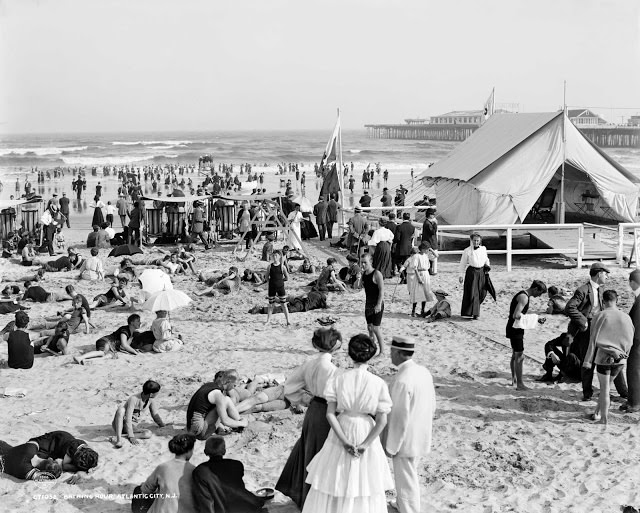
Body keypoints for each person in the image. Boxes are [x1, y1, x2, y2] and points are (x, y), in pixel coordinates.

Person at [302, 334, 393, 513]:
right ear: (372, 355)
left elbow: (330, 414)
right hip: (366, 429)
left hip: (343, 426)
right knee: (365, 482)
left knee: (335, 477)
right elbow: (382, 420)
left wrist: (344, 441)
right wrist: (365, 445)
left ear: (349, 355)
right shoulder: (378, 383)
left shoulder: (339, 379)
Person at [276, 327, 341, 508]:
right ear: (335, 345)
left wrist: (304, 399)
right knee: (324, 452)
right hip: (328, 412)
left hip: (313, 409)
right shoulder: (333, 369)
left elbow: (288, 387)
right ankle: (320, 500)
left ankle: (304, 495)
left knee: (308, 449)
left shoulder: (309, 364)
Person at [383, 336, 437, 513]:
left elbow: (398, 416)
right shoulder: (423, 372)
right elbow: (433, 404)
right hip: (421, 431)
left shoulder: (402, 379)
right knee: (410, 473)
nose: (390, 354)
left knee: (406, 479)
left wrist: (391, 445)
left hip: (406, 438)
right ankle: (401, 504)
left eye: (392, 351)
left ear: (399, 353)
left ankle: (409, 510)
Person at [565, 262, 627, 402]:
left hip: (601, 327)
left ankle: (623, 392)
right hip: (587, 330)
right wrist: (583, 321)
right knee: (588, 361)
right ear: (599, 274)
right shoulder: (582, 290)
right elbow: (569, 307)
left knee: (612, 357)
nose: (607, 277)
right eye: (605, 274)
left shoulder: (601, 289)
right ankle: (587, 393)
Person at [583, 290, 634, 425]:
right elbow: (631, 339)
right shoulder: (626, 317)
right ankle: (597, 412)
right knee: (607, 386)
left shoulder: (599, 316)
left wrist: (587, 361)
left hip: (603, 358)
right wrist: (623, 353)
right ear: (616, 300)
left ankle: (604, 420)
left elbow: (593, 340)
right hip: (620, 359)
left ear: (603, 301)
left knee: (604, 390)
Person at [192, 435, 266, 513]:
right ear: (224, 451)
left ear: (205, 451)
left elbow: (206, 503)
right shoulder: (237, 465)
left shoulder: (200, 471)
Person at [137, 434, 197, 513]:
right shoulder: (194, 470)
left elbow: (146, 489)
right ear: (189, 451)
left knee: (138, 490)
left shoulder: (163, 467)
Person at [506, 280, 548, 391]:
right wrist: (535, 317)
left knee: (515, 354)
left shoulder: (522, 295)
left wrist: (536, 319)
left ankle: (514, 379)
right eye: (540, 293)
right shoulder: (524, 298)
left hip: (513, 327)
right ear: (535, 289)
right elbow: (516, 315)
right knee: (519, 355)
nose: (539, 296)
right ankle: (520, 384)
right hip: (515, 329)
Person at [186, 370, 248, 440]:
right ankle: (241, 424)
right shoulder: (217, 394)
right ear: (228, 381)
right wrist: (243, 423)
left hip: (191, 427)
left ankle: (239, 423)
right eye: (234, 385)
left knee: (226, 399)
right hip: (198, 433)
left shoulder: (209, 385)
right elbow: (225, 420)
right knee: (219, 408)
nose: (234, 387)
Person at [27, 430, 99, 483]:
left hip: (66, 438)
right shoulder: (72, 450)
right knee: (35, 450)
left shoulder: (88, 451)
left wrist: (83, 470)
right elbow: (64, 465)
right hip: (56, 441)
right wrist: (78, 469)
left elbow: (94, 463)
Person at [111, 380, 166, 448]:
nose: (158, 393)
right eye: (157, 392)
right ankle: (118, 439)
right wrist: (131, 436)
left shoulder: (151, 400)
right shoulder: (133, 399)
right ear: (151, 394)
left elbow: (154, 414)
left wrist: (162, 425)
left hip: (132, 427)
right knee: (121, 410)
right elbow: (128, 418)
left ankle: (123, 436)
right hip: (120, 424)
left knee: (148, 434)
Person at [73, 313, 142, 364]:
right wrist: (134, 352)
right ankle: (80, 358)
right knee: (101, 353)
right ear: (132, 322)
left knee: (110, 356)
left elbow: (124, 346)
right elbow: (124, 345)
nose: (140, 322)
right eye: (138, 321)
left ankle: (88, 361)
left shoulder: (132, 332)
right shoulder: (125, 330)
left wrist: (133, 347)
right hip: (105, 341)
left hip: (111, 347)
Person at [459, 233, 490, 320]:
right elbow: (463, 263)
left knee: (482, 292)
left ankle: (475, 309)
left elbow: (486, 259)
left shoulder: (483, 249)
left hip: (481, 272)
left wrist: (487, 266)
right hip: (471, 273)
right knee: (472, 293)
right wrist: (460, 275)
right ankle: (474, 313)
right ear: (471, 241)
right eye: (474, 240)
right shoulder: (467, 251)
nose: (476, 242)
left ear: (480, 241)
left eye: (477, 241)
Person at [400, 243, 436, 317]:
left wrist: (431, 250)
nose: (427, 250)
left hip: (426, 274)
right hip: (419, 274)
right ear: (422, 249)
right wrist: (418, 277)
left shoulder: (426, 255)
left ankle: (422, 310)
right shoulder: (416, 256)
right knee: (417, 292)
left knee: (425, 293)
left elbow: (436, 256)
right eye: (426, 249)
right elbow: (415, 268)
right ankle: (413, 310)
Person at [360, 253, 385, 356]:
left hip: (377, 303)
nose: (363, 265)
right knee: (370, 328)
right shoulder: (364, 274)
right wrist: (358, 279)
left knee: (376, 328)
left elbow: (381, 290)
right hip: (368, 304)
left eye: (365, 263)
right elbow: (357, 287)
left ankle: (382, 351)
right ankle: (372, 348)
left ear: (370, 262)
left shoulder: (377, 274)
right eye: (361, 263)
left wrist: (378, 304)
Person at [624, 269, 640, 413]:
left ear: (632, 283)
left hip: (637, 341)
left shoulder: (639, 298)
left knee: (634, 370)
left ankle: (634, 403)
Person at [265, 250, 291, 326]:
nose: (275, 257)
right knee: (271, 305)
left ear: (279, 257)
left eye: (276, 255)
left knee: (284, 304)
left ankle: (288, 320)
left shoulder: (282, 267)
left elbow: (287, 277)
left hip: (280, 287)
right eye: (273, 255)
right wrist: (272, 281)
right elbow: (266, 277)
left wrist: (280, 281)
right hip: (272, 287)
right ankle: (268, 320)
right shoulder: (270, 266)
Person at [394, 213, 415, 282]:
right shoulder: (412, 227)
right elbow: (412, 237)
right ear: (409, 218)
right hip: (408, 247)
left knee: (398, 261)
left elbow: (397, 238)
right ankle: (406, 276)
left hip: (400, 246)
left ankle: (402, 276)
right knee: (407, 262)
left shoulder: (399, 227)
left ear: (403, 218)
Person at [421, 208, 438, 275]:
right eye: (433, 214)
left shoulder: (427, 222)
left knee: (429, 257)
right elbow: (433, 232)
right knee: (430, 257)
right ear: (430, 215)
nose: (434, 215)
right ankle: (430, 270)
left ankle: (430, 270)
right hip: (430, 241)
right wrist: (435, 224)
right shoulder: (428, 223)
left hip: (429, 241)